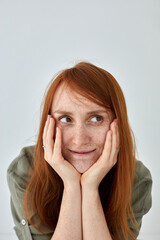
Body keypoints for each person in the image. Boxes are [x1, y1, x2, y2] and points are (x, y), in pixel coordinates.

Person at [7, 61, 152, 240]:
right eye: (66, 119)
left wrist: (90, 188)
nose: (80, 139)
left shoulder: (136, 179)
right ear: (49, 125)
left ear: (117, 125)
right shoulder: (26, 170)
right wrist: (71, 185)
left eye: (96, 118)